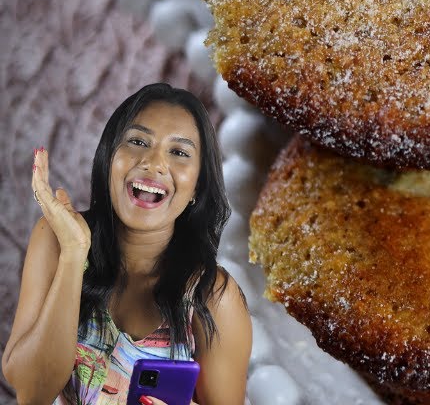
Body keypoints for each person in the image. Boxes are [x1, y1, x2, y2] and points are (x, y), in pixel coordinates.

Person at [3, 83, 251, 405]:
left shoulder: (213, 298)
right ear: (109, 158)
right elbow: (31, 392)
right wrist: (74, 254)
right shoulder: (56, 238)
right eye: (137, 141)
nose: (154, 163)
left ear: (197, 188)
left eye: (179, 152)